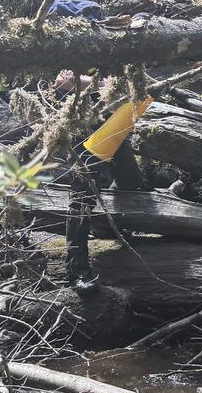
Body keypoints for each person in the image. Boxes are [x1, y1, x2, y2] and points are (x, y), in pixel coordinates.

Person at [55, 70, 149, 291]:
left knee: (131, 179)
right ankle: (77, 271)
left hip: (111, 124)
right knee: (82, 197)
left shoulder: (118, 58)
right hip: (80, 126)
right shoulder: (71, 50)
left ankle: (104, 224)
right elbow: (61, 81)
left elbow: (140, 81)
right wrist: (103, 84)